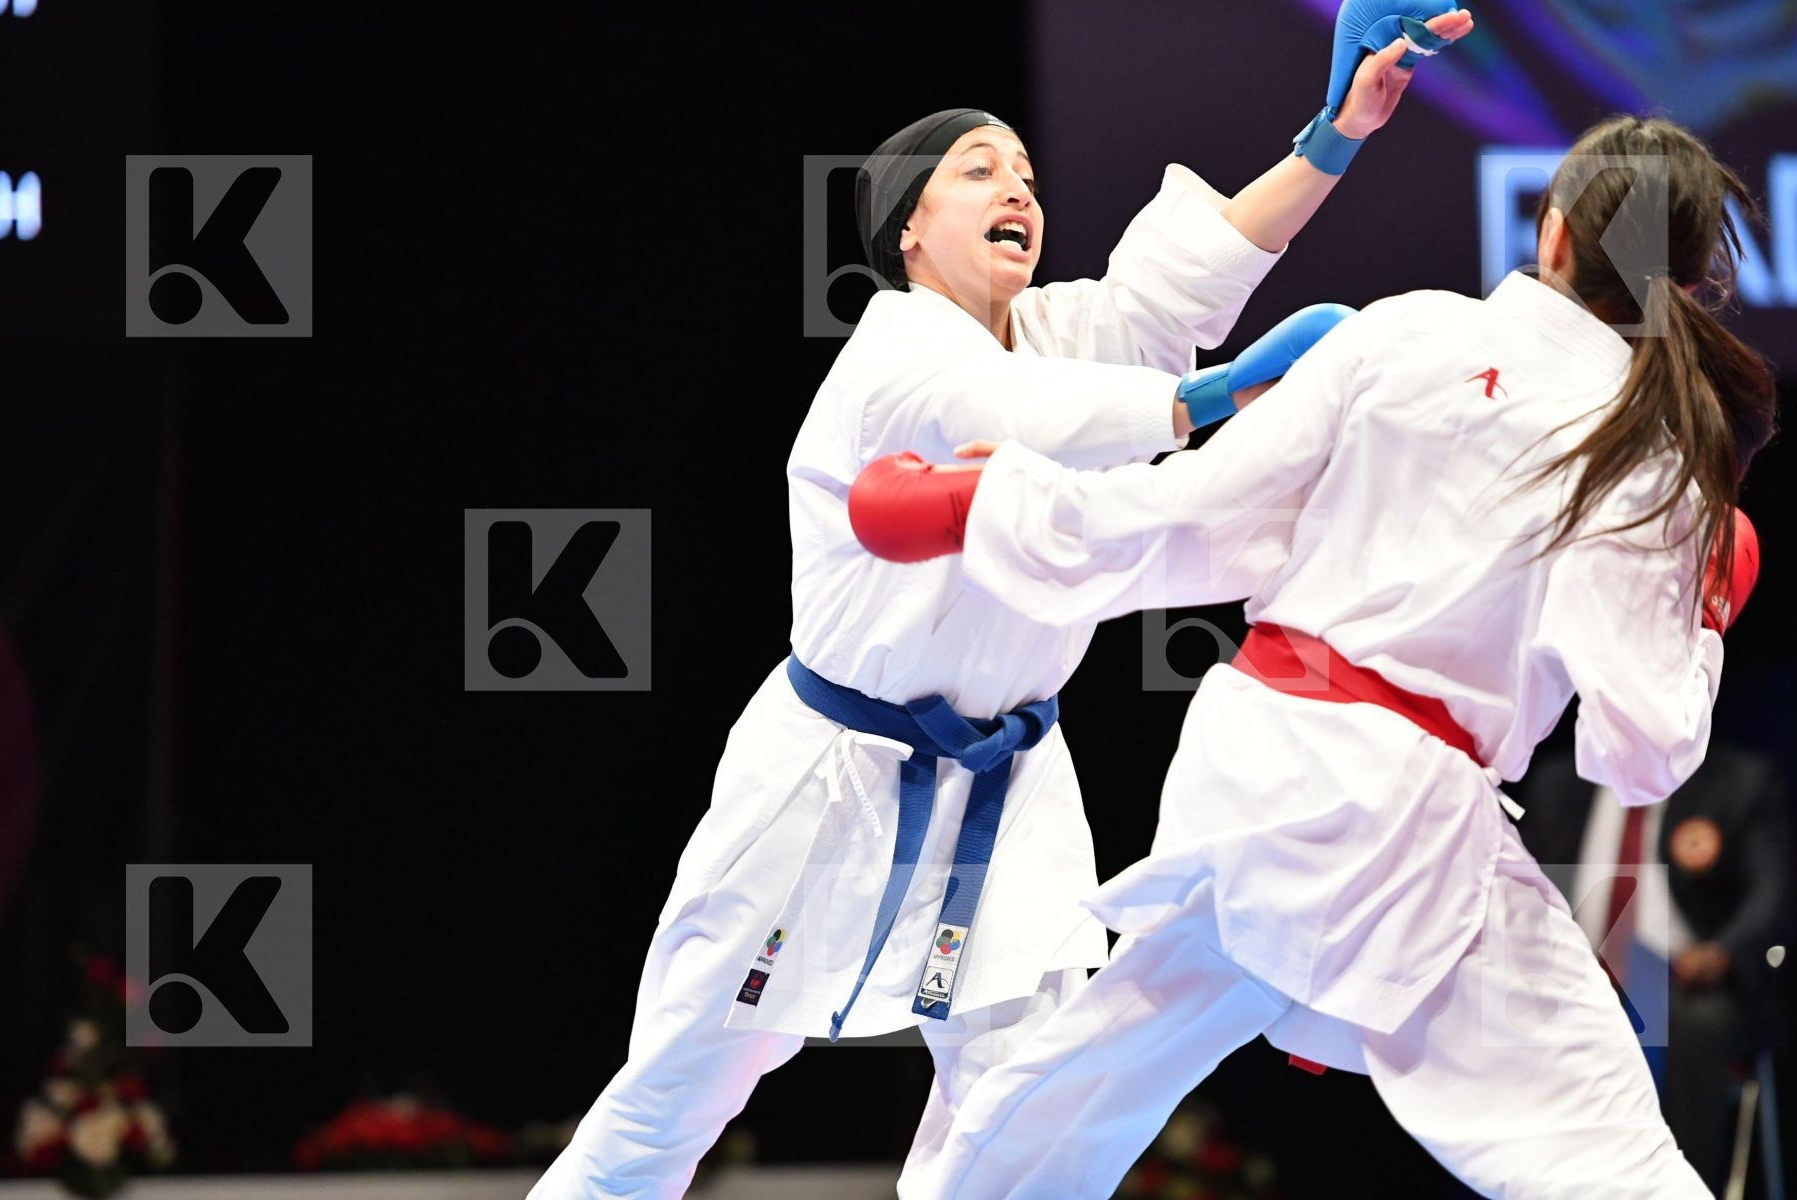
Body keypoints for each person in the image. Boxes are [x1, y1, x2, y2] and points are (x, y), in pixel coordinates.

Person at [529, 4, 1477, 1196]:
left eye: (1025, 171)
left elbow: (1178, 286)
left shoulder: (1058, 331)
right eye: (977, 170)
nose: (1015, 185)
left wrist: (1333, 135)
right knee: (673, 1095)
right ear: (910, 227)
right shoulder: (895, 351)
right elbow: (1025, 422)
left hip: (1014, 782)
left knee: (1019, 1103)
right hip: (827, 778)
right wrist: (1211, 400)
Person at [848, 114, 1777, 1197]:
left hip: (1257, 766)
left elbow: (1192, 515)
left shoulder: (1404, 333)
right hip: (1401, 826)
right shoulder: (1647, 454)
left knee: (1073, 1092)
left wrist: (995, 499)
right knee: (1606, 1155)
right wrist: (1705, 621)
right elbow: (1641, 758)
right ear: (1686, 277)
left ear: (1555, 230)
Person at [1517, 739, 1792, 1192]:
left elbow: (1773, 895)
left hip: (1686, 983)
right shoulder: (1559, 783)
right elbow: (1519, 887)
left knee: (1696, 1023)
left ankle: (1678, 1187)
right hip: (1576, 976)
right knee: (1505, 1011)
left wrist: (1723, 951)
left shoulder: (1739, 781)